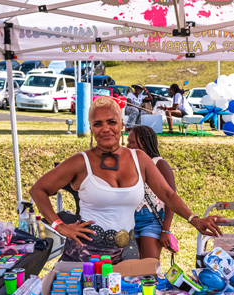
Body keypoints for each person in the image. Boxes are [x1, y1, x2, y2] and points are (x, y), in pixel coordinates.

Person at [30, 97, 220, 264]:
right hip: (86, 255)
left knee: (132, 294)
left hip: (127, 251)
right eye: (98, 124)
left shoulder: (140, 159)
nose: (105, 129)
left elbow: (168, 195)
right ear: (91, 128)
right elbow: (38, 190)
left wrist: (194, 219)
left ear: (121, 124)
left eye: (111, 122)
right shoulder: (80, 162)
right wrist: (59, 226)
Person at [127, 125, 177, 260]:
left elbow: (171, 198)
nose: (127, 146)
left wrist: (165, 230)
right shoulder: (127, 163)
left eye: (132, 142)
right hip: (129, 219)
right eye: (128, 142)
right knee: (132, 265)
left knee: (149, 265)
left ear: (143, 142)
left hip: (150, 219)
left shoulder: (159, 164)